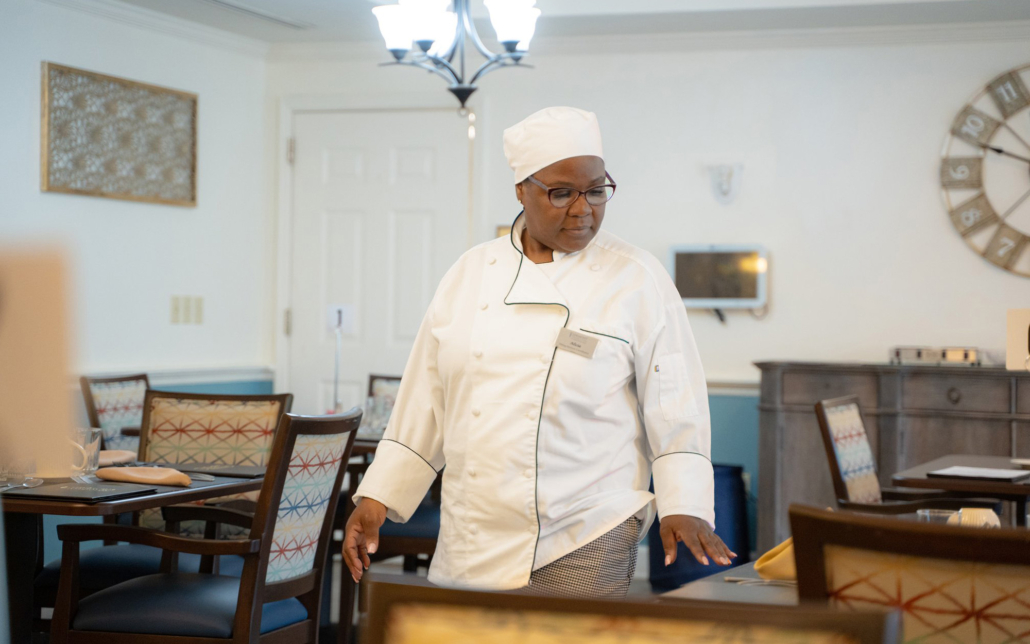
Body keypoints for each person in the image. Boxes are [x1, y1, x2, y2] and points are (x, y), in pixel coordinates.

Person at [344, 106, 734, 597]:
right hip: (474, 530)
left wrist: (684, 502)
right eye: (562, 193)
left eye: (596, 190)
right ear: (521, 191)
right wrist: (378, 497)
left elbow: (675, 401)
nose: (583, 209)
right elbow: (426, 399)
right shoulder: (471, 273)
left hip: (587, 525)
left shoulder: (637, 277)